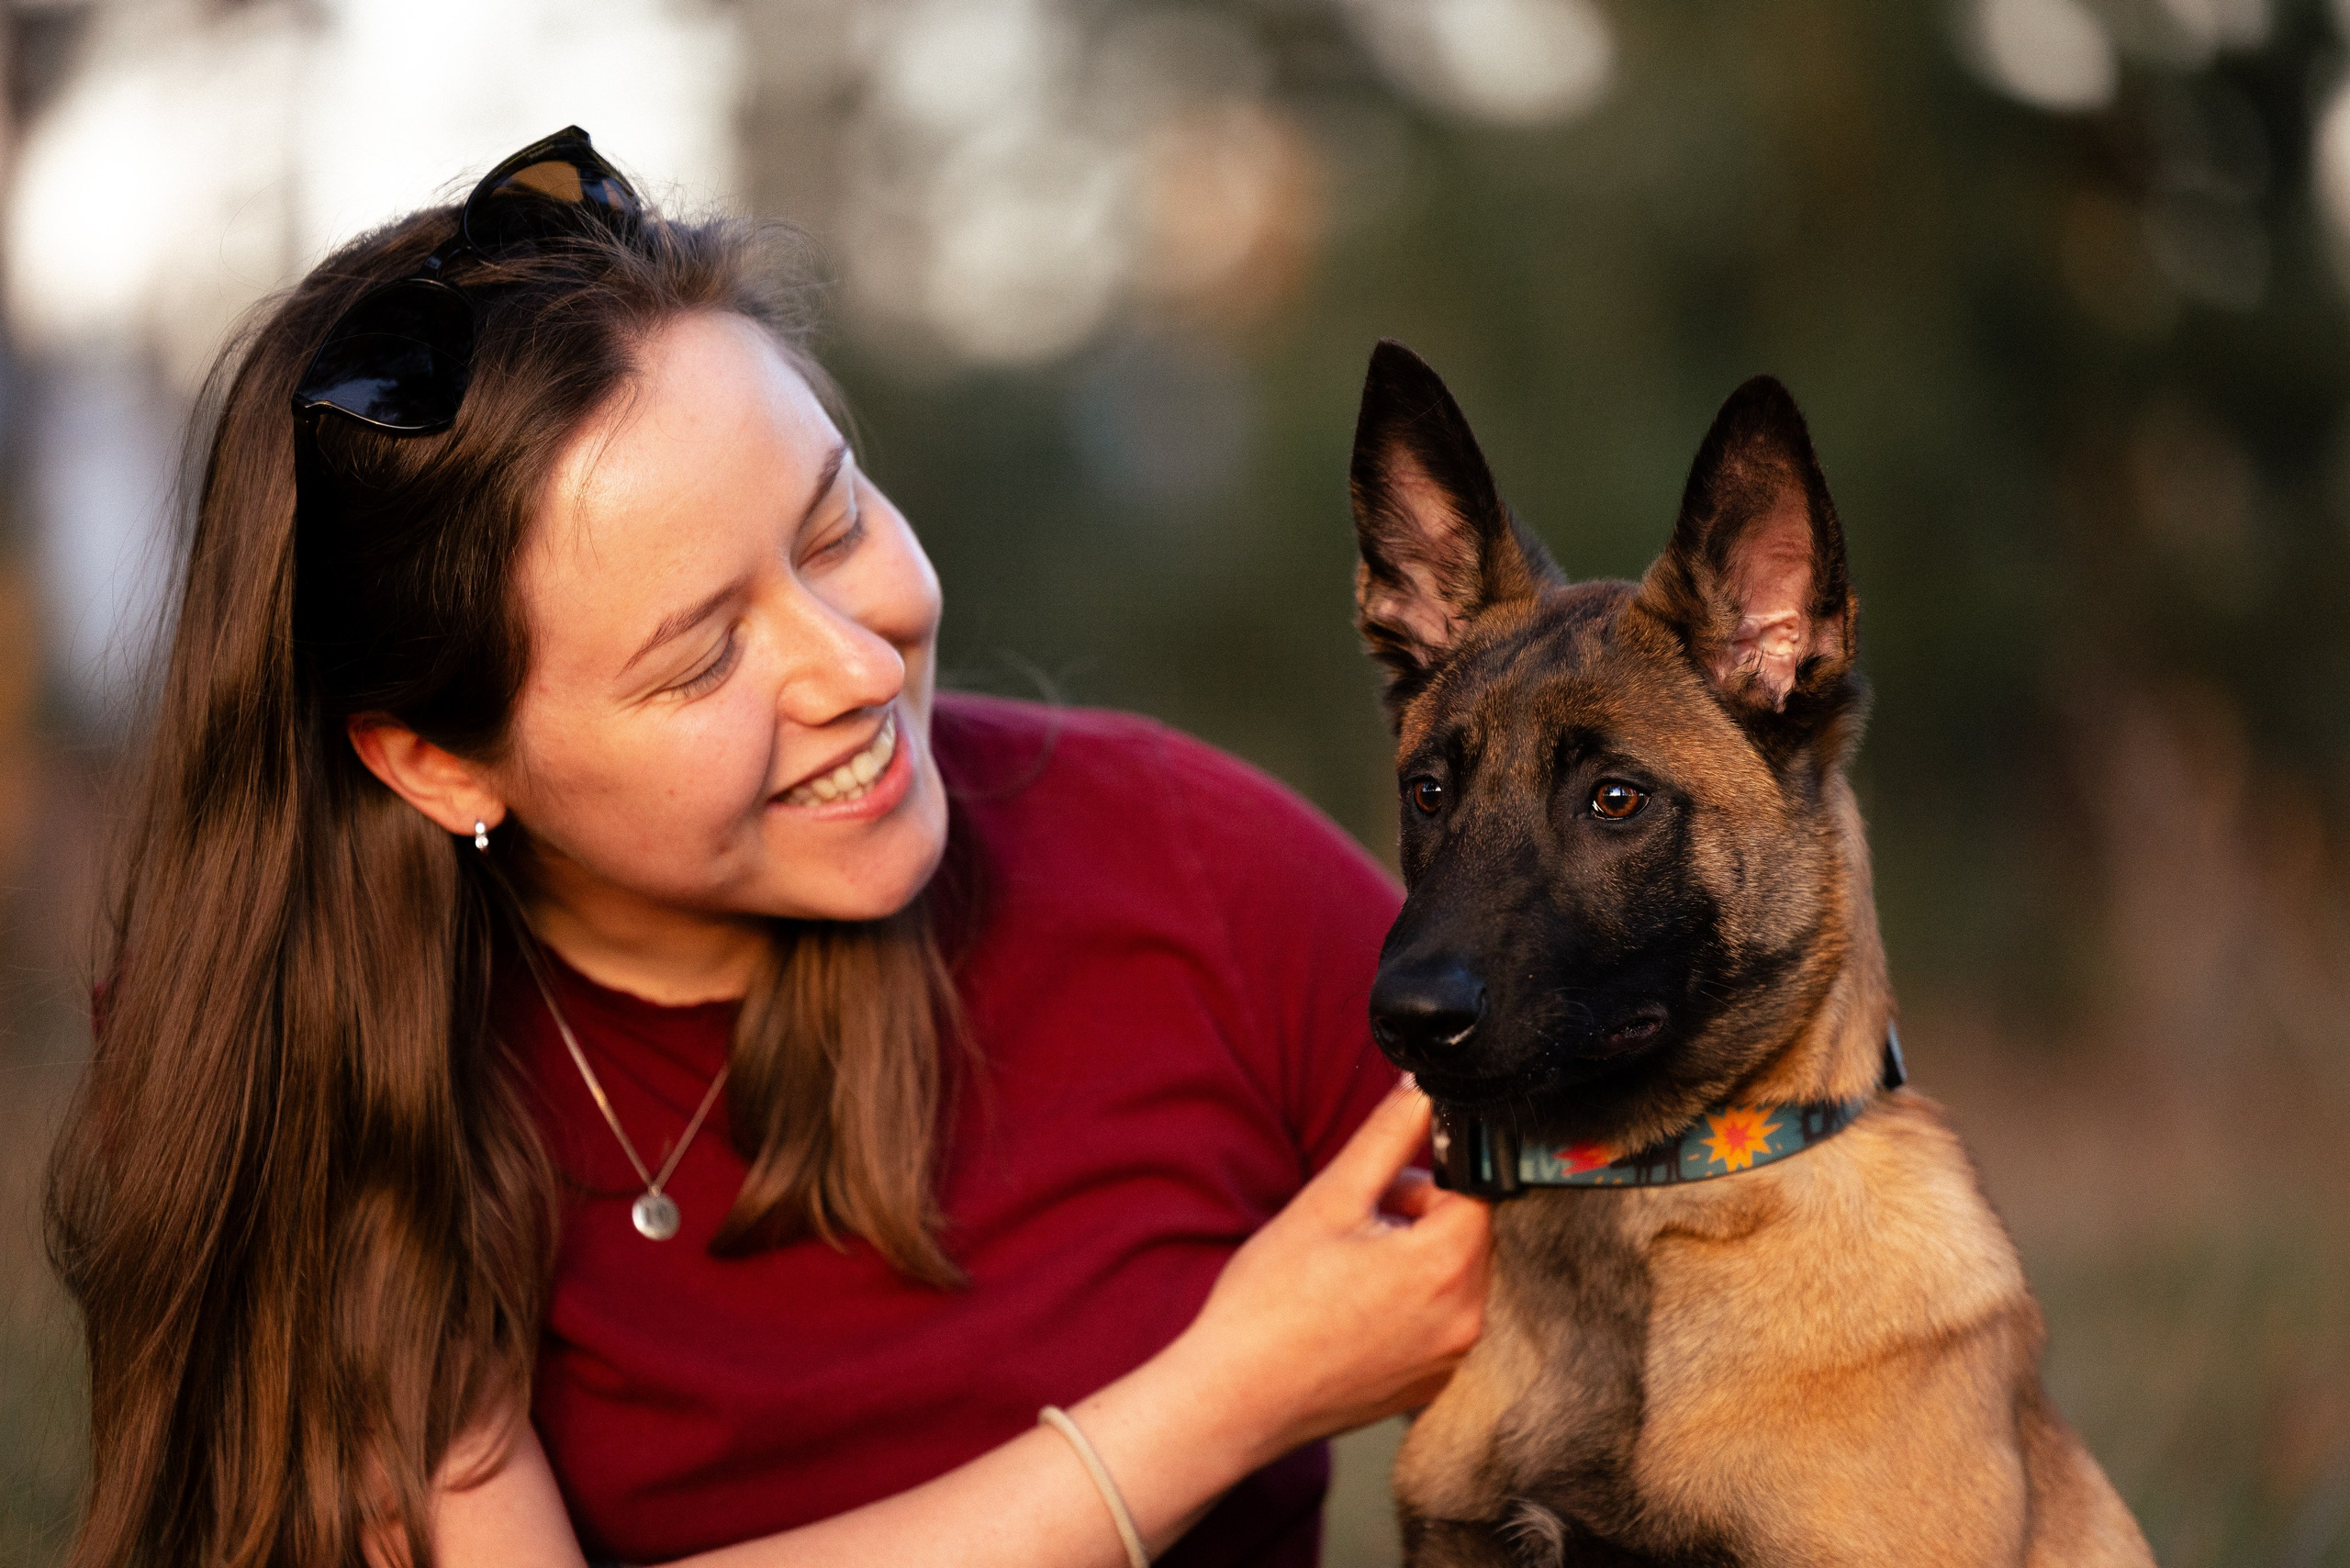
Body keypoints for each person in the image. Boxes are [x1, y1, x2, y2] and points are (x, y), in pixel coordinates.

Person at [45, 128, 1489, 1568]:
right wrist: (1228, 1398)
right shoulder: (299, 1065)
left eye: (833, 521)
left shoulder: (1182, 867)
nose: (853, 667)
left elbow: (1667, 1198)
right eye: (698, 660)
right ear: (435, 759)